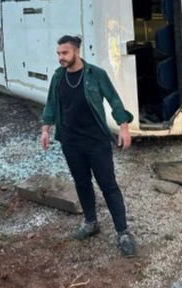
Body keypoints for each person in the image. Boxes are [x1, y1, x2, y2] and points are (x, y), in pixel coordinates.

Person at [40, 35, 137, 257]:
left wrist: (124, 127)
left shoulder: (95, 75)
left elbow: (114, 99)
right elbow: (51, 104)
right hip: (71, 142)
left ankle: (123, 232)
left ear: (76, 52)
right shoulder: (58, 77)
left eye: (64, 53)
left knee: (108, 185)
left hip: (96, 142)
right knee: (82, 183)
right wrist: (46, 129)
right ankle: (91, 222)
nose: (60, 58)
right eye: (58, 53)